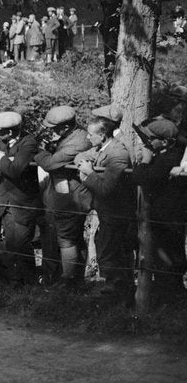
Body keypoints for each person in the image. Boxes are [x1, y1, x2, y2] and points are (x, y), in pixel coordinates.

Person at [34, 105, 92, 286]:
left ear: (66, 127)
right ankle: (69, 279)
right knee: (68, 239)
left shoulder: (79, 141)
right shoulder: (72, 135)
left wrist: (37, 151)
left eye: (54, 128)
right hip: (63, 195)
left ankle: (68, 281)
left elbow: (50, 163)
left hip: (72, 199)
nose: (52, 132)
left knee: (67, 239)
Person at [0, 111, 41, 284]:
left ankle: (29, 282)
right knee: (11, 244)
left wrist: (1, 158)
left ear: (11, 131)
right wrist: (6, 161)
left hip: (23, 202)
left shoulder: (28, 142)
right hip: (5, 200)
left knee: (22, 245)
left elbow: (16, 170)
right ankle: (17, 280)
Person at [78, 116, 133, 296]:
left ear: (102, 135)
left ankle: (117, 293)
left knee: (112, 252)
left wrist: (88, 174)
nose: (87, 138)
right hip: (107, 212)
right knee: (106, 248)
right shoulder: (102, 148)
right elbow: (82, 155)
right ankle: (114, 289)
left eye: (90, 135)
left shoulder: (117, 153)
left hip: (117, 212)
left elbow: (106, 188)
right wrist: (84, 163)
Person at [135, 118, 187, 304]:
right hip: (166, 215)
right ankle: (169, 295)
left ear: (164, 142)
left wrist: (144, 162)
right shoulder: (168, 155)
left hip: (169, 217)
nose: (147, 143)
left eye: (150, 140)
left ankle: (171, 298)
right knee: (165, 257)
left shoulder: (169, 159)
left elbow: (142, 178)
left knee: (168, 258)